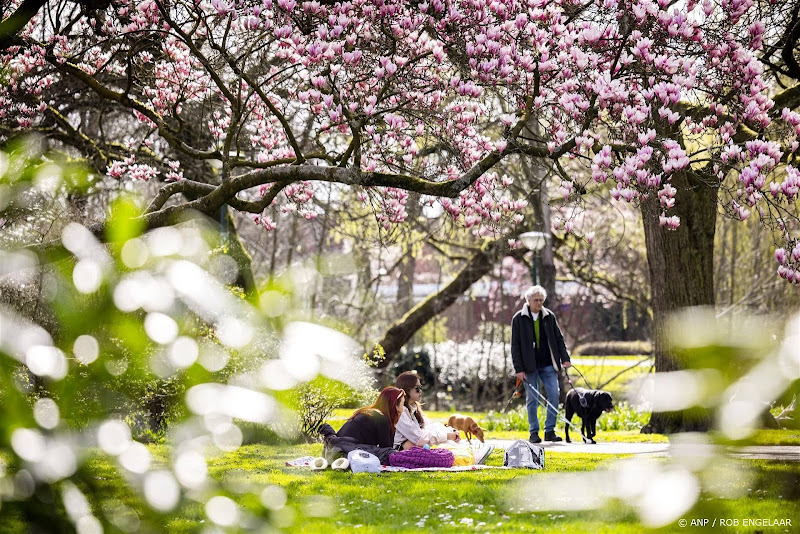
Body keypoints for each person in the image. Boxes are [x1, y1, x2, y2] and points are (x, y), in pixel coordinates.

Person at [511, 285, 571, 443]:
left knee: (554, 394)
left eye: (541, 300)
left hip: (548, 364)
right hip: (529, 367)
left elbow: (559, 339)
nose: (539, 303)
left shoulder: (549, 316)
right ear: (528, 301)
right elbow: (515, 346)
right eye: (536, 300)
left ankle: (549, 431)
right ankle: (534, 432)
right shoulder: (519, 318)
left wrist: (565, 358)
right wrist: (519, 369)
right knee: (532, 399)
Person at [394, 371, 460, 449]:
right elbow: (419, 438)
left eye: (420, 387)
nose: (420, 391)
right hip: (402, 450)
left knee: (436, 430)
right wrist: (447, 436)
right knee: (440, 442)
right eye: (417, 389)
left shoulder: (414, 407)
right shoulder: (400, 412)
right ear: (407, 390)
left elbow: (430, 425)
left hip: (416, 445)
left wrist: (450, 430)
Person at [337, 386, 405, 448]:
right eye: (403, 404)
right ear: (395, 405)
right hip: (347, 452)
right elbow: (386, 451)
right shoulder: (381, 419)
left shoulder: (371, 413)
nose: (403, 408)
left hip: (337, 447)